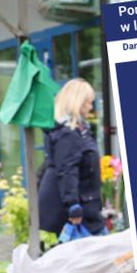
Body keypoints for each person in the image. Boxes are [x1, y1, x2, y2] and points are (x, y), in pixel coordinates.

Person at [37, 78, 104, 238]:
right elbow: (67, 170)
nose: (91, 107)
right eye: (88, 102)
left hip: (84, 205)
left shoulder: (79, 130)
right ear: (78, 102)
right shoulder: (68, 134)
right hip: (74, 213)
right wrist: (73, 206)